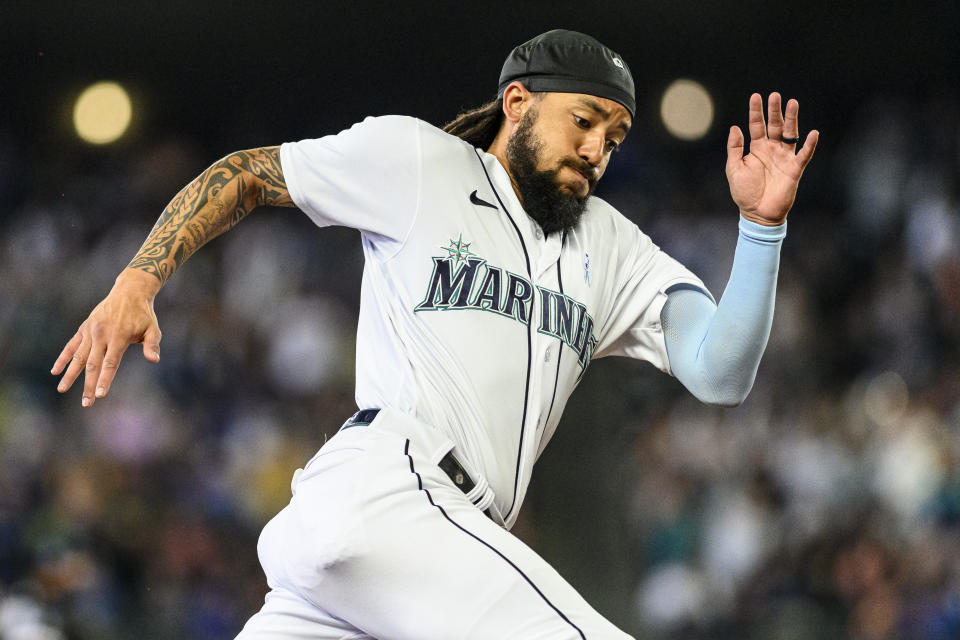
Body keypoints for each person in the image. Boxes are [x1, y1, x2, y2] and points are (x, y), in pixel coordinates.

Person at [52, 29, 817, 640]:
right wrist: (137, 280)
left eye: (613, 136)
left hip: (401, 561)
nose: (597, 148)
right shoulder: (420, 160)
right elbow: (249, 172)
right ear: (517, 102)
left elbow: (720, 371)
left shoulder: (613, 247)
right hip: (395, 487)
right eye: (582, 121)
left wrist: (760, 229)